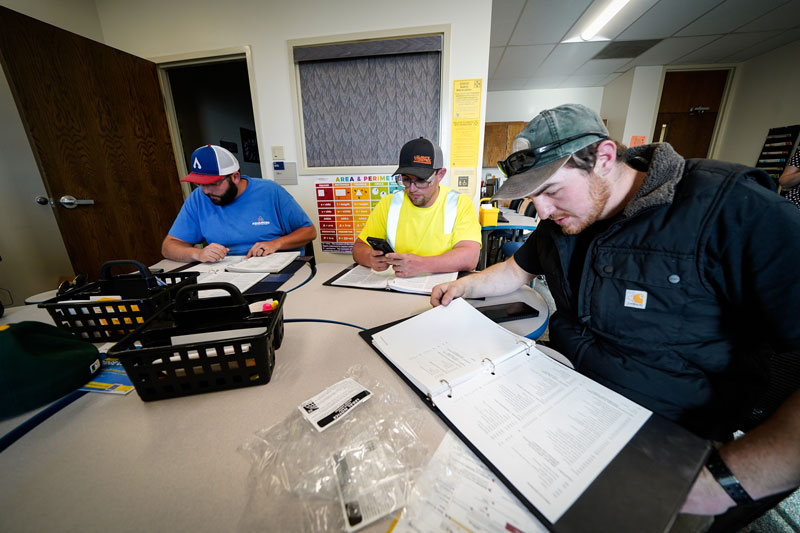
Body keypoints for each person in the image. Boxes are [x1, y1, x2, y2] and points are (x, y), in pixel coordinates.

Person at [430, 104, 800, 521]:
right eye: (534, 198)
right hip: (567, 400)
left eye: (550, 191)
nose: (543, 212)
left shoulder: (733, 209)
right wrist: (464, 285)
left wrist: (718, 486)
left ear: (604, 158)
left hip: (671, 435)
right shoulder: (563, 220)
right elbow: (516, 269)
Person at [162, 144, 316, 262]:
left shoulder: (270, 191)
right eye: (200, 184)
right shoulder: (197, 198)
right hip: (224, 274)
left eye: (213, 184)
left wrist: (276, 243)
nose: (206, 191)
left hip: (276, 269)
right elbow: (168, 247)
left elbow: (309, 231)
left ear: (235, 177)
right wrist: (197, 254)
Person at [351, 137, 481, 277]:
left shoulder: (460, 204)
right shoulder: (388, 204)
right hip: (396, 288)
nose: (412, 189)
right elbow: (358, 248)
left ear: (440, 174)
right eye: (406, 179)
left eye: (421, 180)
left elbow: (471, 257)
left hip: (443, 289)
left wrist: (422, 265)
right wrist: (369, 257)